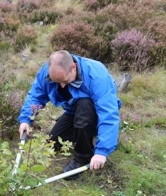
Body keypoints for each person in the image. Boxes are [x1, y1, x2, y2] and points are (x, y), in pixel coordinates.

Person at [18, 50, 122, 180]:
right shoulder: (49, 72)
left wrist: (102, 151)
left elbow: (108, 114)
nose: (61, 85)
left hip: (94, 113)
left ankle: (83, 157)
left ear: (73, 67)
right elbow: (36, 96)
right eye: (57, 82)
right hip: (74, 112)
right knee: (54, 141)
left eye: (65, 80)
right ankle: (82, 132)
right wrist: (25, 119)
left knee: (84, 105)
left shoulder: (97, 74)